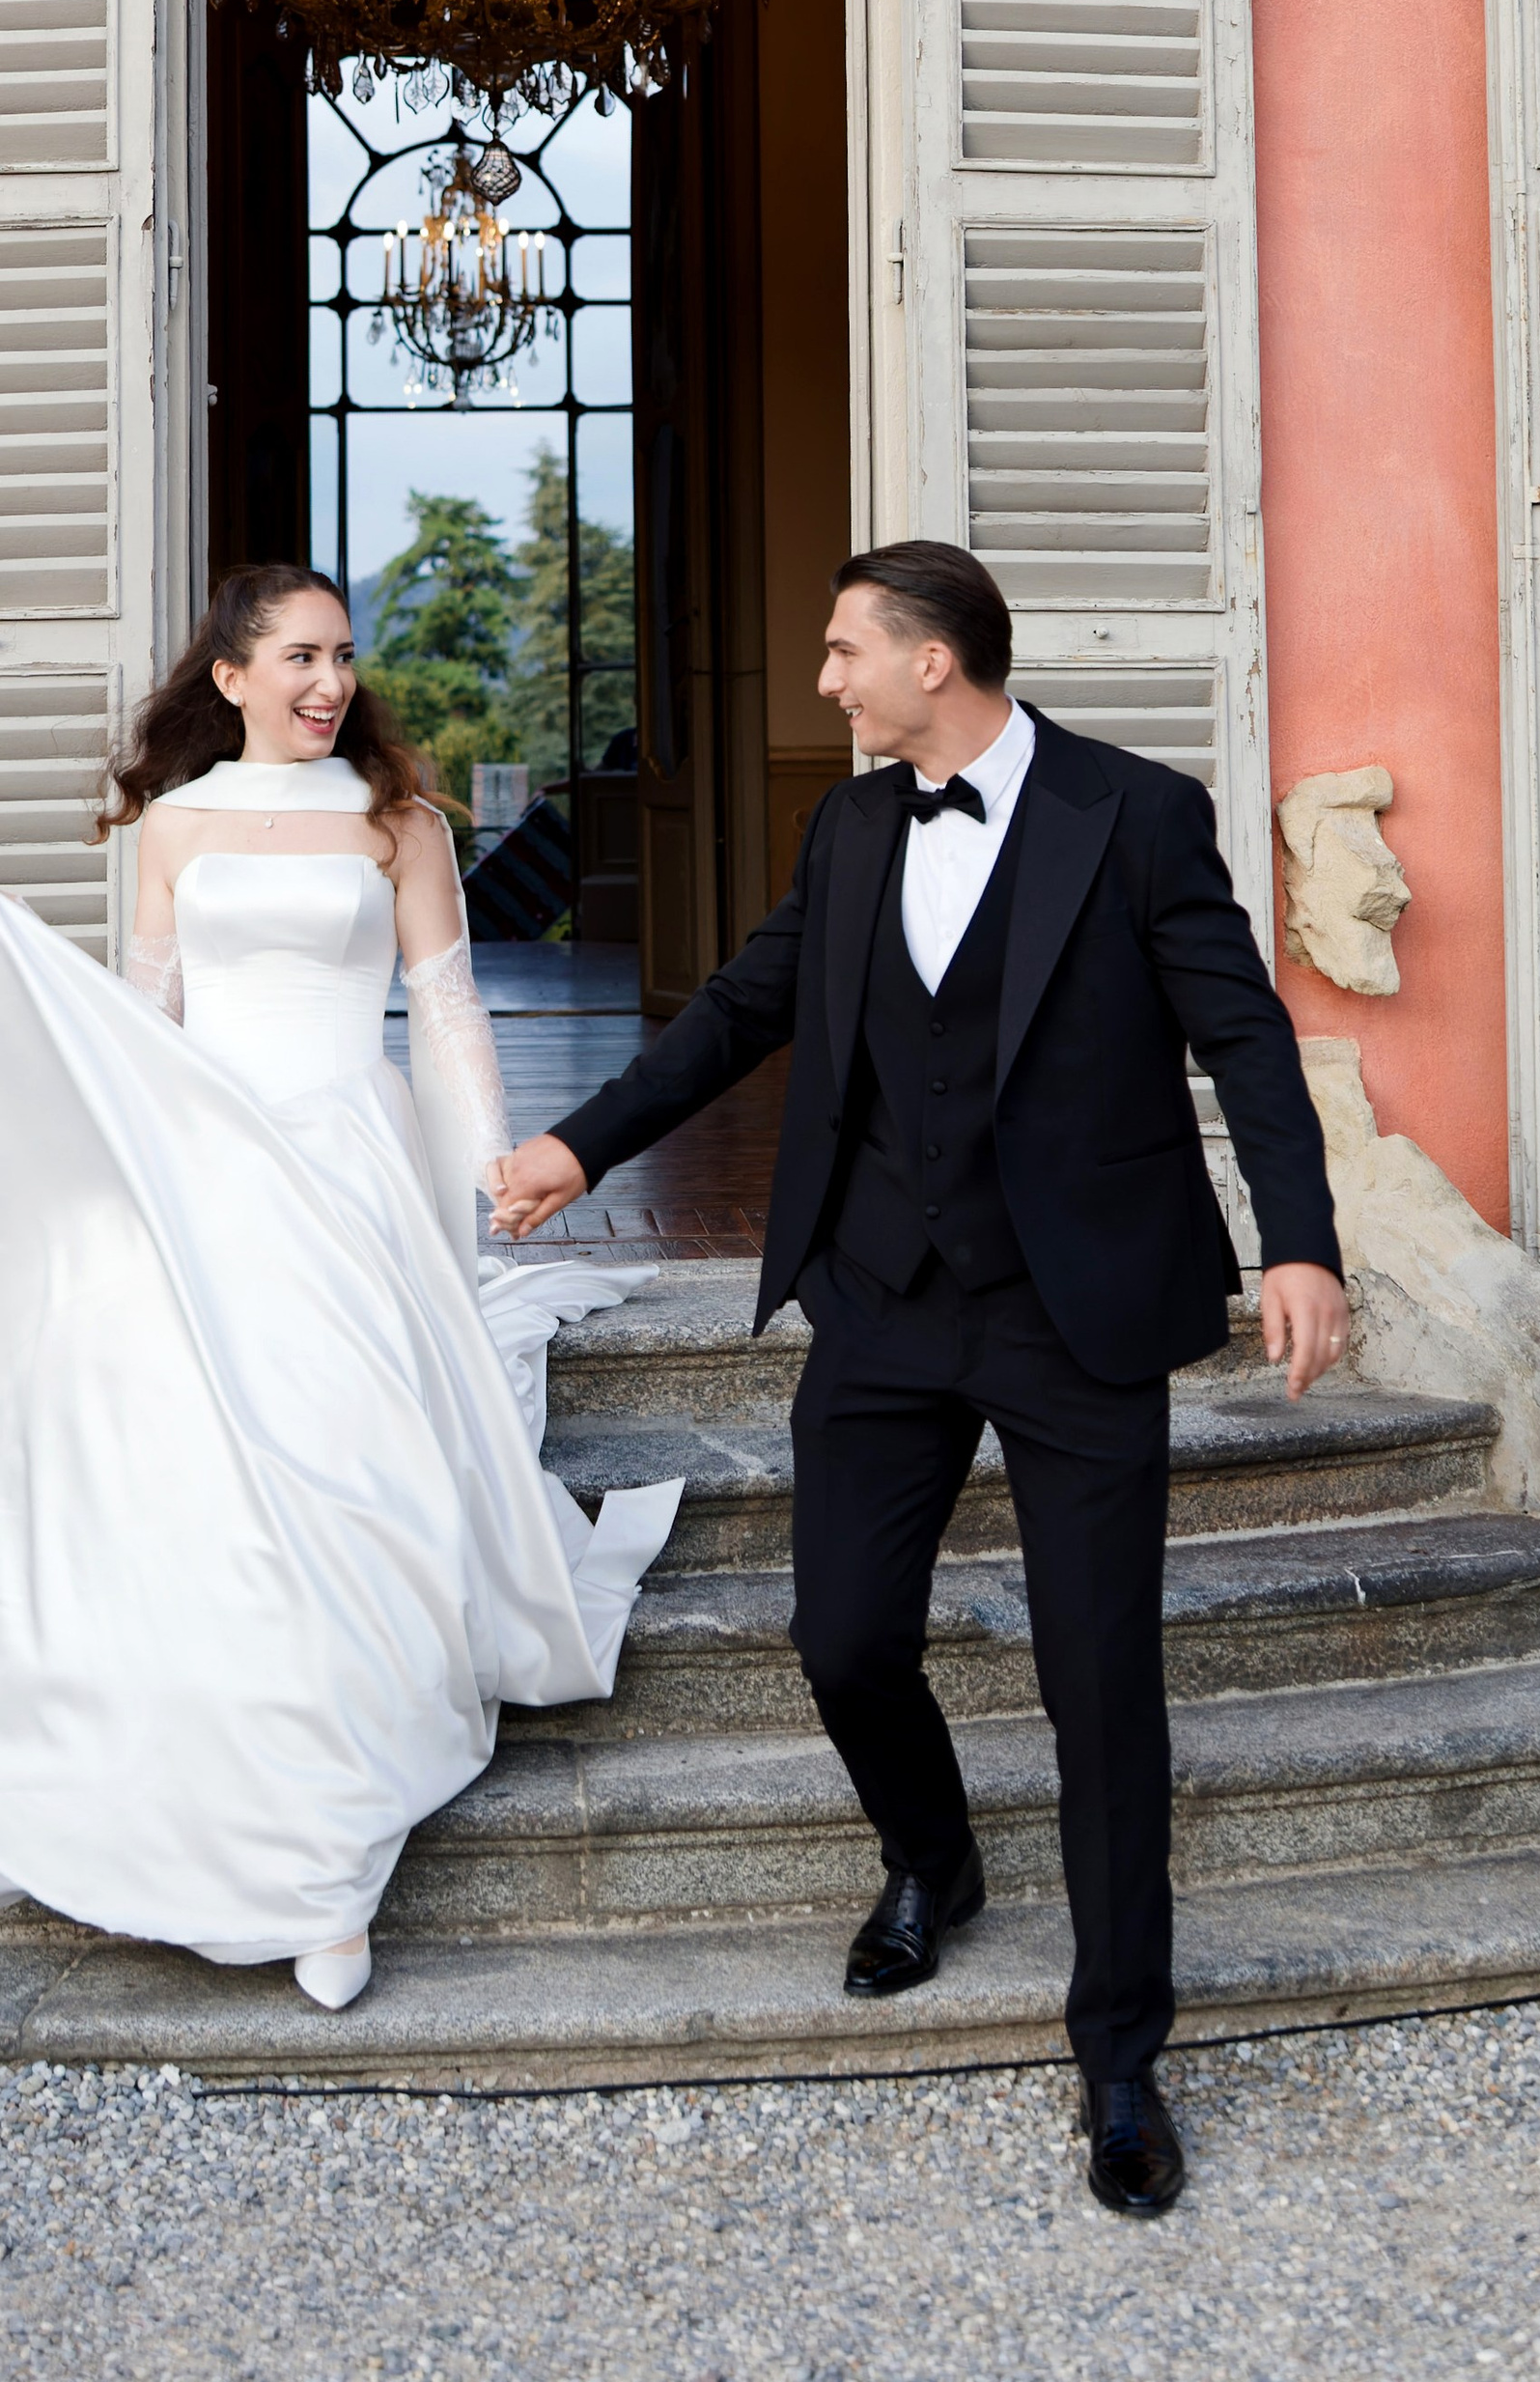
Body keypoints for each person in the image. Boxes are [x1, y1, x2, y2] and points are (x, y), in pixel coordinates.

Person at [487, 541, 1348, 2215]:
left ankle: (1118, 2056)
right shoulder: (853, 821)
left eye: (841, 650)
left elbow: (1243, 1034)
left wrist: (1298, 1241)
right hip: (884, 1291)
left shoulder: (1137, 814)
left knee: (1101, 1678)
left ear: (934, 660)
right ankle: (933, 1858)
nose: (823, 679)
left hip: (1075, 1305)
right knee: (843, 1634)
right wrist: (580, 1142)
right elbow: (745, 1005)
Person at [0, 564, 681, 2013]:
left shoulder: (399, 818)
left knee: (343, 1463)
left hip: (345, 1154)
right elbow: (145, 1018)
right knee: (175, 1469)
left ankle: (325, 1843)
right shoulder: (173, 828)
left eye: (342, 655)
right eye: (298, 656)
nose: (330, 682)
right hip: (208, 1157)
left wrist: (497, 1173)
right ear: (230, 674)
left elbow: (447, 1004)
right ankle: (163, 1788)